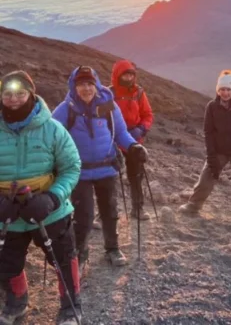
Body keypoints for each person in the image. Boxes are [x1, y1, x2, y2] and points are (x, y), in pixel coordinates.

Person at [0, 71, 82, 325]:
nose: (14, 99)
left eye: (20, 93)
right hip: (6, 212)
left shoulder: (52, 129)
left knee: (63, 258)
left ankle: (71, 307)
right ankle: (16, 303)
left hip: (49, 209)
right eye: (7, 94)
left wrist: (52, 199)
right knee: (7, 262)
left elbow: (71, 167)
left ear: (31, 94)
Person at [52, 66, 147, 271]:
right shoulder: (66, 108)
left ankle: (112, 248)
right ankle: (80, 251)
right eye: (81, 84)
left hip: (107, 168)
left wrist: (133, 147)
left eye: (89, 84)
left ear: (96, 85)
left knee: (110, 211)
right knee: (83, 216)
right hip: (79, 172)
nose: (86, 88)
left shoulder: (108, 105)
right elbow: (51, 135)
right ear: (73, 86)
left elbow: (121, 132)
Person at [179, 70, 231, 226]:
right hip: (219, 150)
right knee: (205, 178)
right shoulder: (212, 106)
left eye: (228, 89)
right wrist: (211, 154)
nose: (225, 93)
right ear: (218, 90)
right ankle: (193, 206)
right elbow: (209, 131)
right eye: (222, 90)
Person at [110, 60, 153, 220]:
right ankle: (106, 212)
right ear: (118, 75)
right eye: (125, 75)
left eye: (131, 75)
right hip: (113, 140)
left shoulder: (139, 93)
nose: (128, 78)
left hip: (134, 139)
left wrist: (141, 129)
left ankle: (138, 208)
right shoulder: (109, 94)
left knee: (136, 175)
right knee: (110, 176)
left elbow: (147, 114)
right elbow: (102, 117)